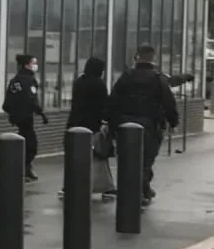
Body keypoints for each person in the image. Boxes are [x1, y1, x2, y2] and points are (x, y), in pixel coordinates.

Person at [109, 44, 179, 206]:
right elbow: (168, 102)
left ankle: (135, 190)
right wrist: (173, 122)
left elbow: (113, 101)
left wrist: (112, 125)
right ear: (153, 58)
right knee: (146, 161)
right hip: (150, 126)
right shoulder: (158, 79)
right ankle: (140, 192)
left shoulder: (126, 77)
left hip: (125, 125)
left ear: (137, 57)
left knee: (127, 159)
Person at [59, 57, 116, 200]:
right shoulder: (99, 85)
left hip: (75, 124)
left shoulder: (79, 82)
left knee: (75, 158)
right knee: (98, 158)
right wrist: (106, 122)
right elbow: (104, 106)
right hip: (93, 125)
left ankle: (70, 186)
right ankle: (105, 187)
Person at [3, 54, 48, 182]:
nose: (36, 65)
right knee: (31, 144)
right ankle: (22, 168)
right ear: (27, 65)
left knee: (24, 140)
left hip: (17, 116)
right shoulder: (29, 80)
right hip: (26, 116)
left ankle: (25, 168)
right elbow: (32, 99)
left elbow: (8, 101)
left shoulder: (15, 80)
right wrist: (41, 113)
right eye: (34, 63)